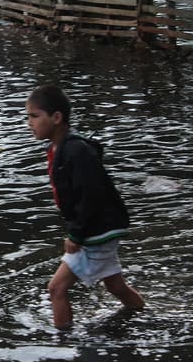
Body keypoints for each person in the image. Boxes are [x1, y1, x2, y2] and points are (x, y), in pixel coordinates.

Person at [25, 85, 145, 329]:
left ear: (56, 117)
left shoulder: (76, 151)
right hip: (100, 226)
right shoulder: (59, 149)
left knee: (56, 289)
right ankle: (143, 314)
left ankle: (63, 340)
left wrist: (76, 234)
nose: (29, 123)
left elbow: (90, 195)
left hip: (97, 229)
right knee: (115, 285)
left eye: (34, 116)